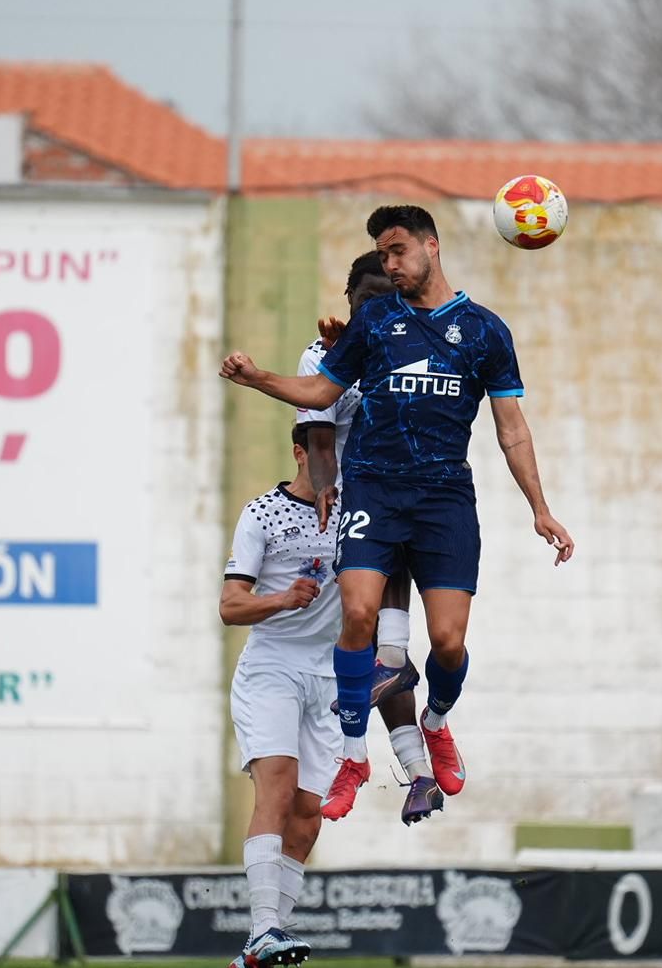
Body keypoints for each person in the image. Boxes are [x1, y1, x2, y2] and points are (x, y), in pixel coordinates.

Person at [220, 204, 574, 823]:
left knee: (448, 640)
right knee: (357, 612)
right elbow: (321, 395)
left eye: (397, 251)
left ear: (431, 247)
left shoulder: (486, 331)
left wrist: (540, 508)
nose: (390, 263)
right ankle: (354, 755)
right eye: (382, 255)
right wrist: (256, 378)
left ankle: (436, 723)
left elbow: (511, 429)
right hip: (374, 491)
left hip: (444, 499)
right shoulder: (377, 319)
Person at [295, 252, 437, 824]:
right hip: (342, 501)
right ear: (348, 296)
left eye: (387, 300)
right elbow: (320, 434)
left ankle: (377, 762)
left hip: (395, 494)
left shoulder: (407, 342)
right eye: (366, 300)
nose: (376, 309)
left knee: (373, 645)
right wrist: (326, 485)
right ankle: (417, 769)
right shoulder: (320, 353)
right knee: (364, 646)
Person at [219, 426, 342, 967]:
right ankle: (263, 929)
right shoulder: (261, 514)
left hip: (330, 677)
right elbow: (230, 605)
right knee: (277, 787)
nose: (330, 461)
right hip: (272, 669)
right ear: (298, 452)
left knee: (309, 812)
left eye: (337, 451)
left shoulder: (356, 511)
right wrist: (283, 598)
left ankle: (265, 943)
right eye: (320, 450)